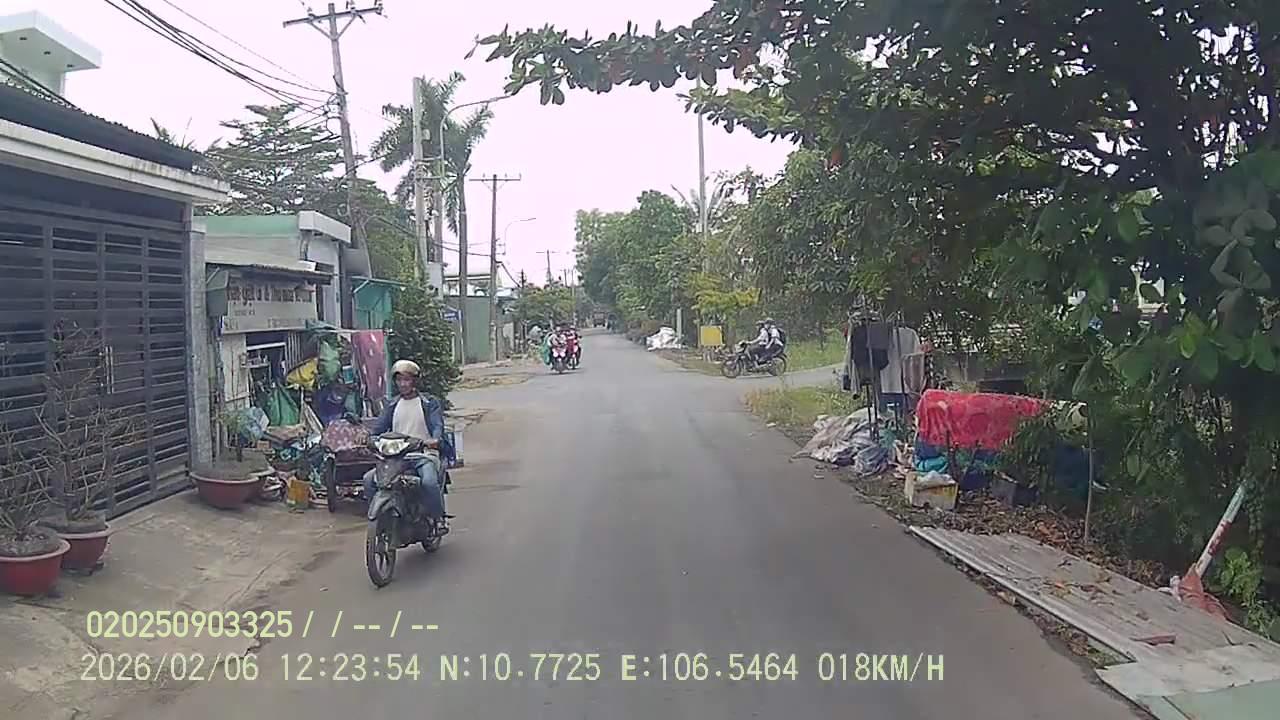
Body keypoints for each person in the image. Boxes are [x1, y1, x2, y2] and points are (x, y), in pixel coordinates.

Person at [363, 360, 447, 525]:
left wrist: (434, 440)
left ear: (415, 381)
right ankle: (381, 520)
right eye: (399, 380)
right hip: (395, 457)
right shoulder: (392, 405)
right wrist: (369, 439)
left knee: (429, 482)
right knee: (368, 480)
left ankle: (438, 518)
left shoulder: (429, 402)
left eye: (407, 380)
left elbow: (437, 425)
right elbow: (378, 429)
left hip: (422, 455)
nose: (403, 384)